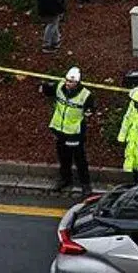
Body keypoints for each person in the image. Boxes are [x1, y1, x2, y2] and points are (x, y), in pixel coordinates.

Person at [40, 66, 94, 195]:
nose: (68, 84)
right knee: (63, 157)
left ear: (78, 82)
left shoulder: (86, 95)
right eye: (67, 81)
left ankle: (85, 184)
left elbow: (90, 108)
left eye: (72, 82)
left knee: (80, 159)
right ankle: (65, 179)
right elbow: (47, 91)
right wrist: (44, 86)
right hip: (59, 130)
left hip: (75, 132)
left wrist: (89, 112)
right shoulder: (59, 87)